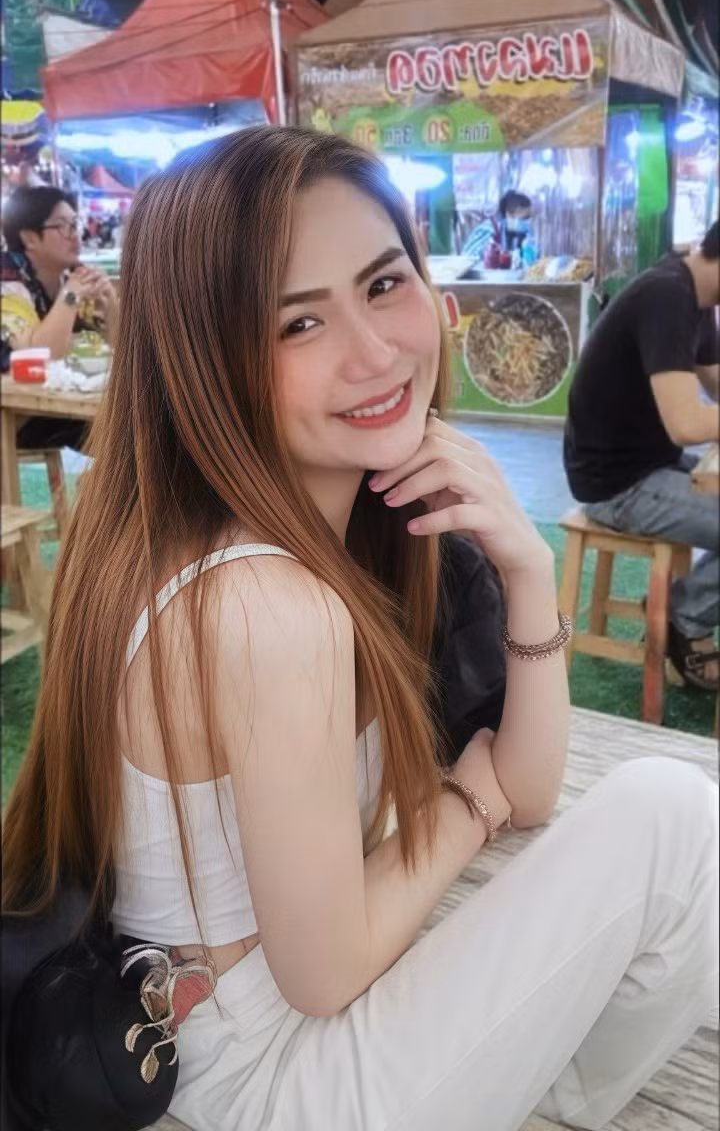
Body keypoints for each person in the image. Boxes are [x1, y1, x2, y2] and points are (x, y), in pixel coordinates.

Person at [2, 129, 716, 1131]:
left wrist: (526, 564)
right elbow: (328, 970)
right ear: (207, 362)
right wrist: (467, 801)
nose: (375, 352)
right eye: (298, 322)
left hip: (245, 1028)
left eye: (383, 284)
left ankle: (556, 1088)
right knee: (676, 817)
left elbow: (533, 787)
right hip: (267, 1079)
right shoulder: (269, 605)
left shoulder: (315, 537)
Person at [564, 222, 720, 692]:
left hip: (649, 466)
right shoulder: (668, 297)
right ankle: (685, 619)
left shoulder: (693, 294)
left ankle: (682, 610)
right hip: (617, 486)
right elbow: (686, 424)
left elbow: (715, 384)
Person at [1, 185, 120, 451]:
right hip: (14, 416)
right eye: (63, 226)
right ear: (30, 238)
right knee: (132, 437)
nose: (75, 235)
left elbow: (125, 348)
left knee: (142, 425)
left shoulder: (71, 278)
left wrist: (110, 304)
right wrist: (70, 295)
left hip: (48, 406)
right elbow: (44, 354)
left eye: (75, 224)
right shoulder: (8, 284)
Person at [460, 190, 534, 265]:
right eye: (525, 218)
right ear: (509, 215)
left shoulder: (519, 234)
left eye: (529, 217)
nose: (527, 222)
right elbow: (467, 258)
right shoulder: (488, 229)